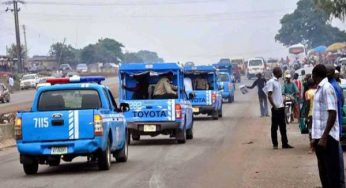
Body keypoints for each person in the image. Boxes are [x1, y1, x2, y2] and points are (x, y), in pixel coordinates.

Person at [311, 64, 343, 188]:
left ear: (314, 75)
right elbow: (318, 115)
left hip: (328, 138)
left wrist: (324, 137)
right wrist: (315, 138)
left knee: (332, 174)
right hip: (320, 138)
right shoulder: (319, 88)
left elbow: (332, 112)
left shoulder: (327, 88)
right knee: (324, 172)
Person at [325, 64, 345, 187]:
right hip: (336, 125)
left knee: (336, 159)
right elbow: (341, 102)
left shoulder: (331, 87)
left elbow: (332, 110)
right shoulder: (336, 86)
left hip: (333, 126)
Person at [266, 67, 294, 149]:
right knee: (274, 127)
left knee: (283, 126)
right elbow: (269, 95)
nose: (282, 73)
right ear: (277, 72)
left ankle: (285, 143)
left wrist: (283, 101)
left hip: (281, 107)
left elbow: (278, 95)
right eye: (280, 71)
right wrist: (274, 106)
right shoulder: (271, 82)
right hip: (276, 108)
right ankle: (275, 144)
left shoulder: (278, 82)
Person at [305, 78, 316, 153]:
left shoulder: (308, 92)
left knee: (311, 131)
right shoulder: (318, 91)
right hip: (318, 114)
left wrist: (306, 116)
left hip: (311, 114)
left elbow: (308, 105)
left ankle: (312, 147)